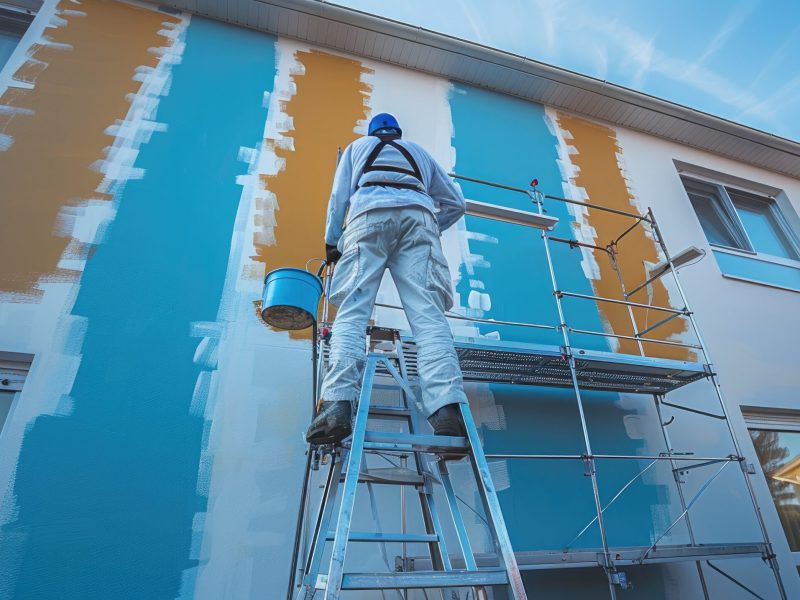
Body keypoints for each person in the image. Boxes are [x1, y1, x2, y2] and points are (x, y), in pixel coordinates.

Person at [306, 113, 468, 445]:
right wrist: (429, 228)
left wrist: (332, 244)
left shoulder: (358, 148)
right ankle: (447, 410)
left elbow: (338, 200)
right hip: (419, 217)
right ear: (398, 132)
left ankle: (337, 404)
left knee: (352, 311)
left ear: (372, 132)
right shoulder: (418, 153)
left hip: (368, 217)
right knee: (428, 316)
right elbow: (456, 203)